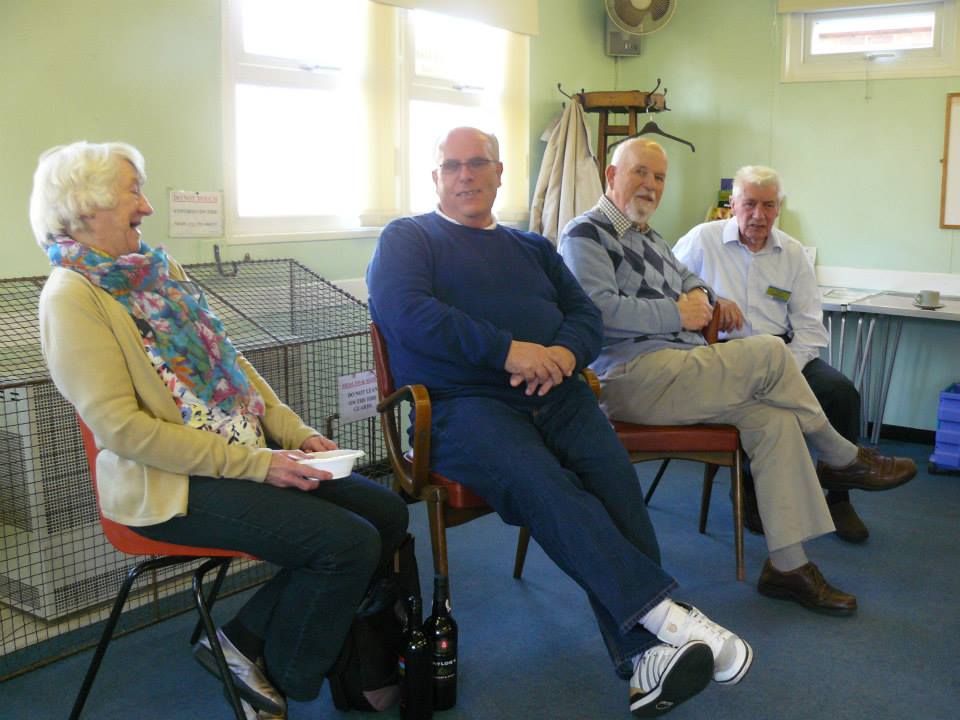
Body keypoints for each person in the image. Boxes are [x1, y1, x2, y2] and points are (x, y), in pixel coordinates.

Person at [367, 126, 753, 719]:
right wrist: (507, 350)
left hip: (558, 389)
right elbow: (407, 314)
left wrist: (567, 356)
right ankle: (664, 620)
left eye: (478, 164)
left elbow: (584, 315)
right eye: (451, 166)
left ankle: (645, 660)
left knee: (617, 485)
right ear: (436, 177)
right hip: (460, 404)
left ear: (500, 173)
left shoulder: (533, 247)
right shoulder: (408, 238)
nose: (465, 175)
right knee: (548, 486)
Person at [31, 141, 409, 720]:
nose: (147, 207)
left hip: (242, 455)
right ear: (86, 206)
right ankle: (272, 683)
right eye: (134, 191)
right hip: (167, 486)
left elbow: (235, 367)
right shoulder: (70, 297)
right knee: (345, 544)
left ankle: (240, 641)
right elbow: (123, 431)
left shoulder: (159, 272)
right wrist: (261, 464)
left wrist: (296, 433)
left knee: (385, 513)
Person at [557, 138, 916, 616]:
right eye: (640, 172)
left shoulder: (649, 235)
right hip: (632, 377)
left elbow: (690, 282)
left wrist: (706, 296)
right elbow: (599, 312)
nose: (651, 185)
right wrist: (676, 312)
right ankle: (842, 455)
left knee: (775, 422)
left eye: (659, 177)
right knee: (770, 352)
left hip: (681, 370)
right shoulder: (585, 234)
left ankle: (787, 566)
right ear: (611, 174)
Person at [673, 165, 869, 543]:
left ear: (778, 208)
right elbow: (666, 290)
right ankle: (748, 485)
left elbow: (810, 329)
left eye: (768, 206)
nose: (758, 216)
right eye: (749, 205)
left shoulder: (792, 254)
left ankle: (839, 496)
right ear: (732, 205)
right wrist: (709, 298)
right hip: (720, 354)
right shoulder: (702, 240)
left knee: (841, 393)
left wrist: (784, 371)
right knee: (756, 401)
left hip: (782, 352)